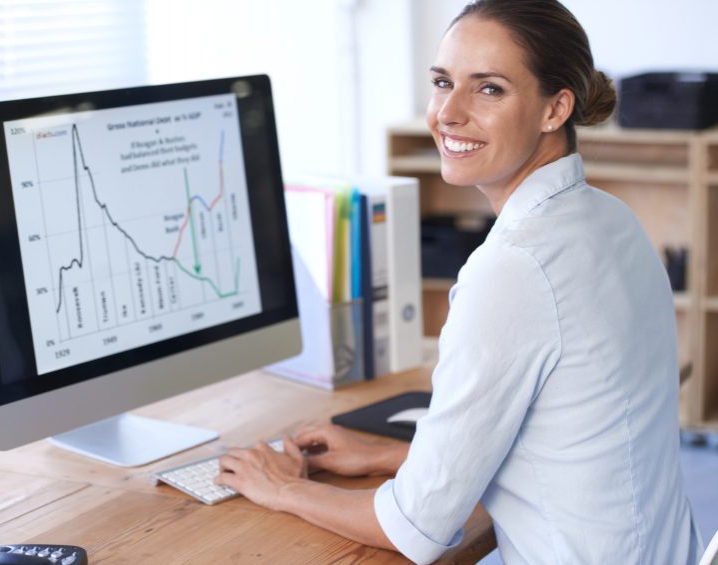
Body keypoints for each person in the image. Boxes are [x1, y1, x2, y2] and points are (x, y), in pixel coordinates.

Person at [215, 1, 704, 563]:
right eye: (443, 82)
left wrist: (283, 487)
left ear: (556, 108)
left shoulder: (514, 269)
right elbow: (567, 446)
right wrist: (388, 456)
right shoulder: (611, 218)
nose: (447, 112)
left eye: (489, 89)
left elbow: (415, 530)